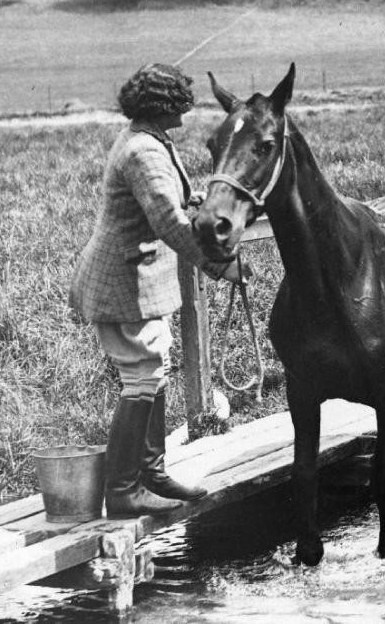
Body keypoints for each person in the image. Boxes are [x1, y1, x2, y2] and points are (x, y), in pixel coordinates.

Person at [69, 63, 250, 517]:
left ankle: (151, 473)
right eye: (181, 103)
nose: (186, 111)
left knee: (154, 369)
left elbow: (176, 203)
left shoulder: (149, 141)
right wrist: (220, 264)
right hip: (123, 283)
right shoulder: (143, 152)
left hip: (135, 280)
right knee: (143, 377)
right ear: (165, 107)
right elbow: (169, 222)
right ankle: (123, 489)